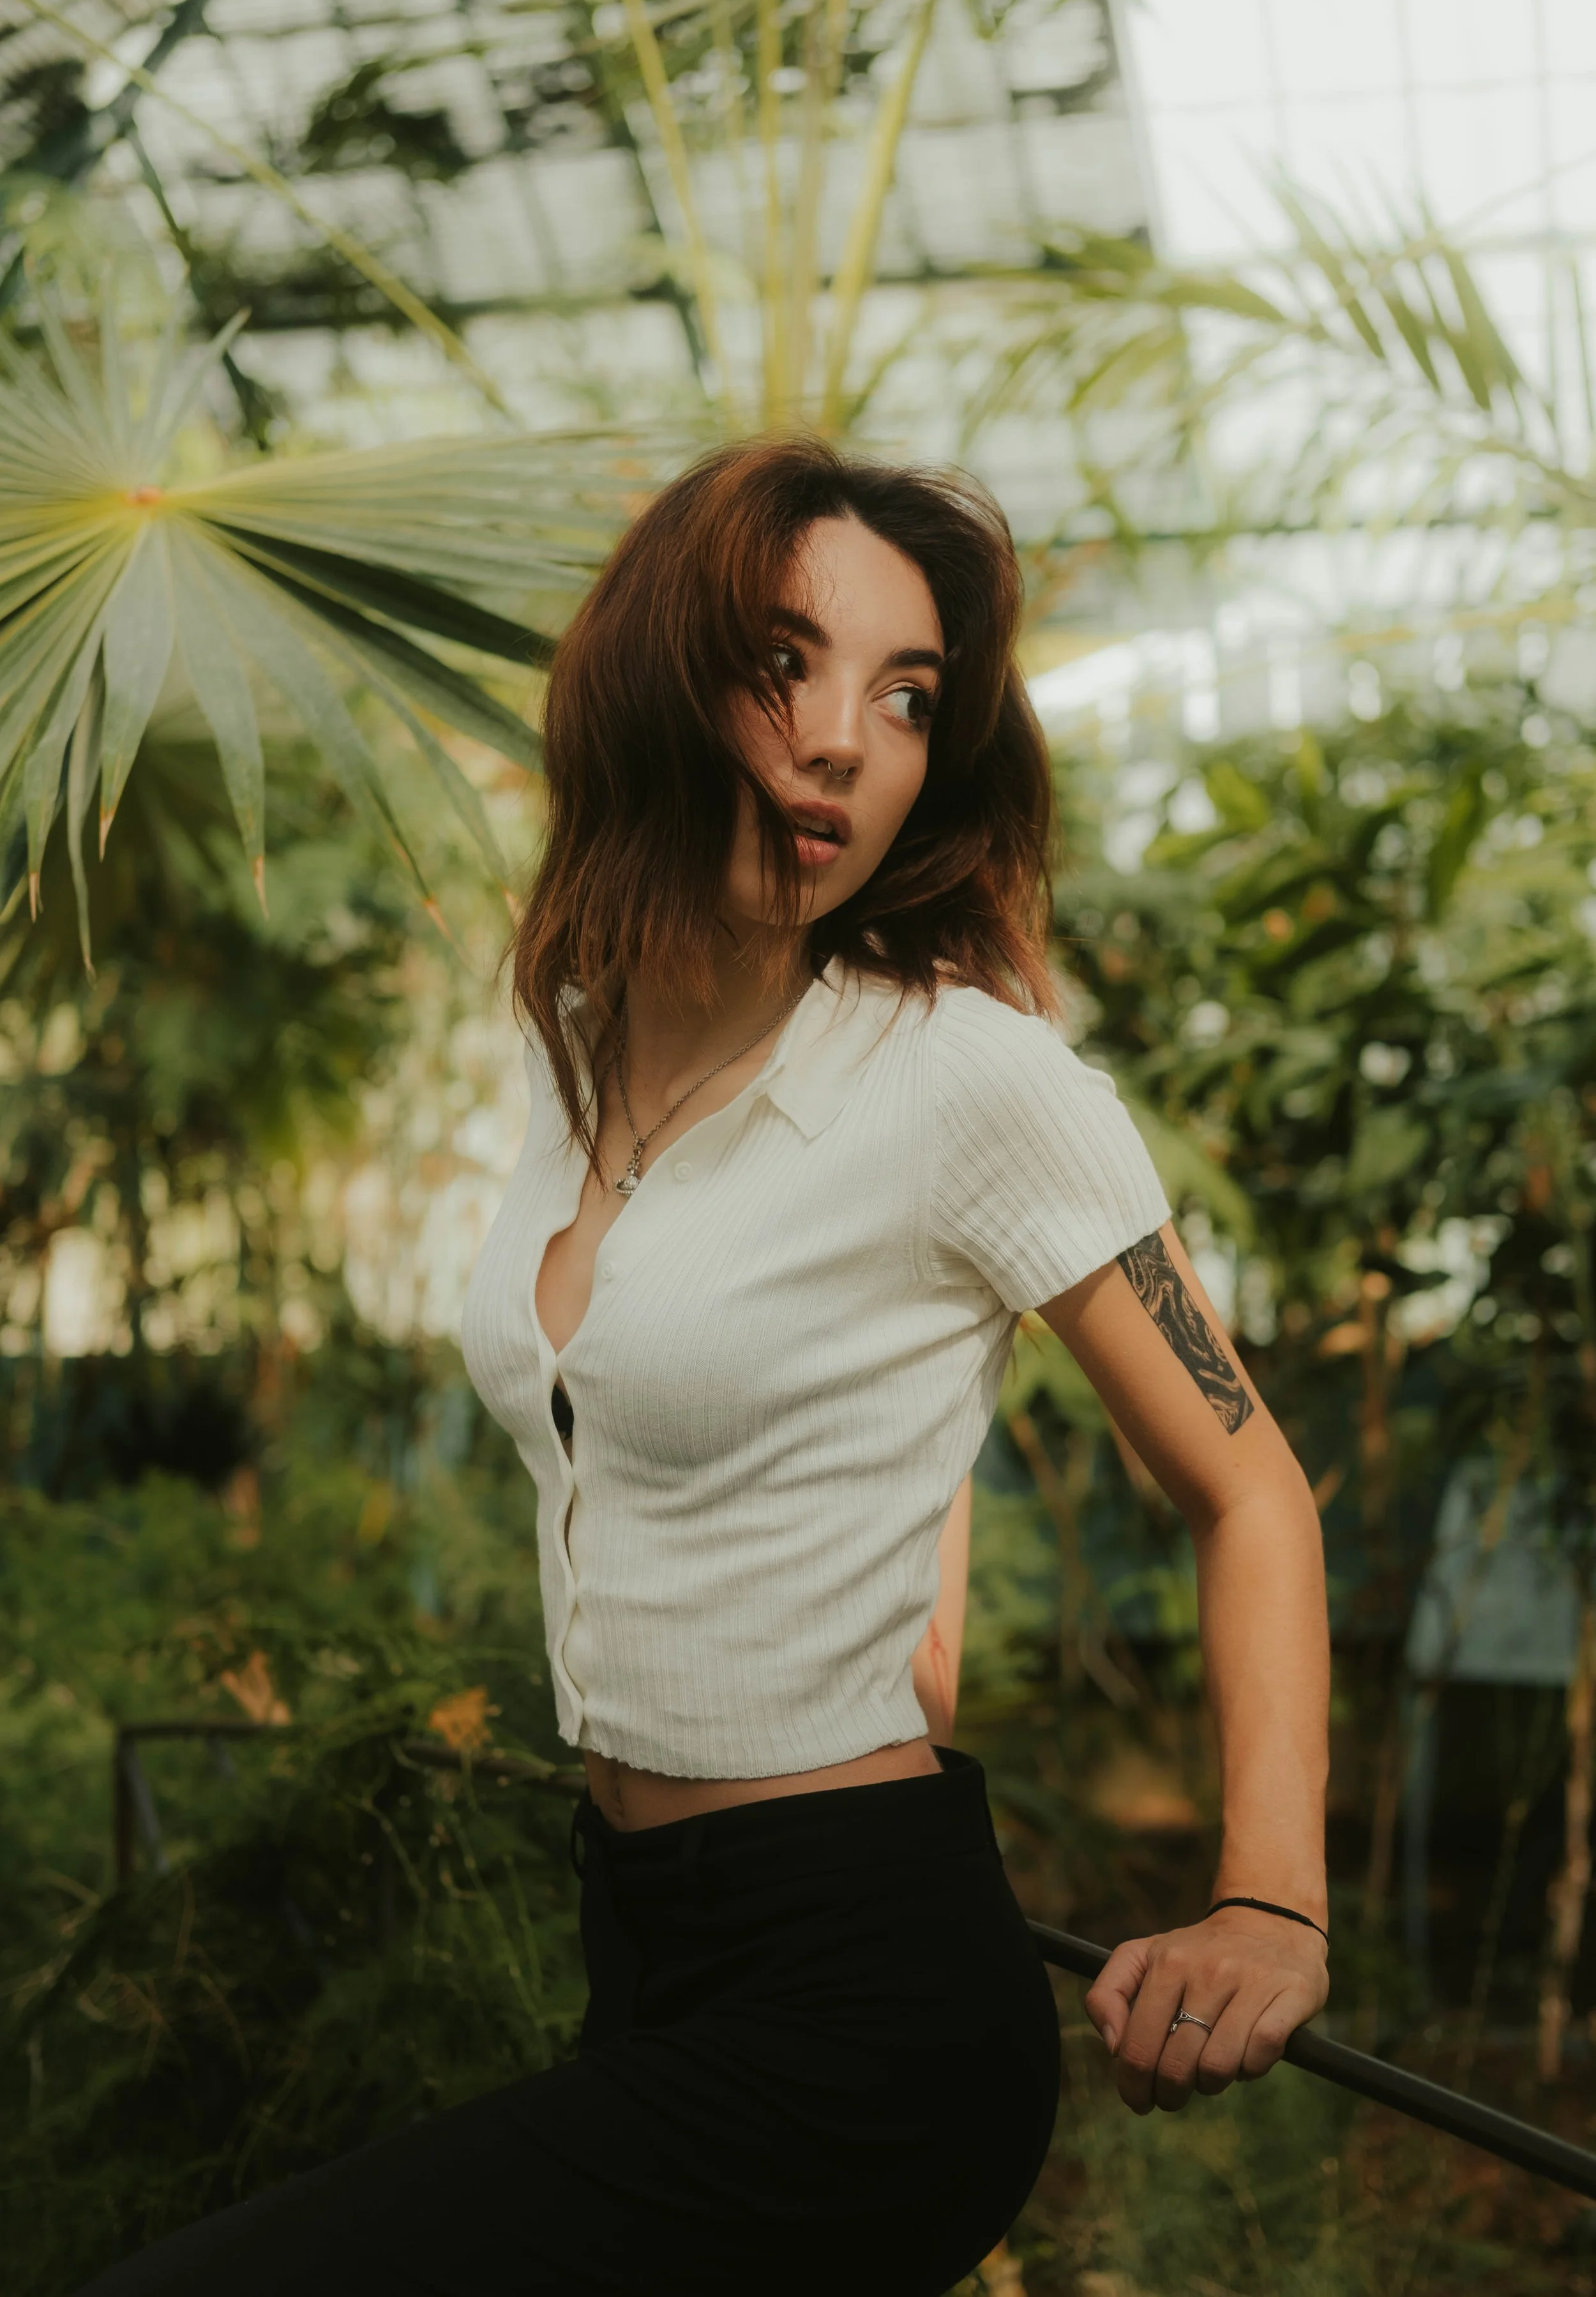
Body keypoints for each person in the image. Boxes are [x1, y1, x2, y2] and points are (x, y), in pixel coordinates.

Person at [80, 437, 1330, 2296]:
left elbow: (1248, 1485)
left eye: (906, 699)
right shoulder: (568, 1034)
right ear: (658, 674)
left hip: (862, 1996)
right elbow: (799, 1417)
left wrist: (1266, 1900)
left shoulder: (961, 1079)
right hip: (642, 1939)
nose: (843, 738)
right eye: (782, 663)